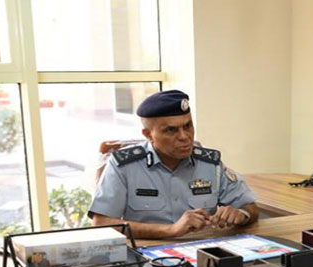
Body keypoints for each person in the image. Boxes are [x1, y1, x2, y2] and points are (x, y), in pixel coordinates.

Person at [88, 89, 258, 238]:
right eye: (171, 130)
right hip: (148, 253)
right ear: (148, 135)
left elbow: (250, 206)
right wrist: (170, 230)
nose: (184, 136)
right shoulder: (124, 166)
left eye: (188, 126)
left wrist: (241, 214)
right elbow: (102, 222)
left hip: (203, 251)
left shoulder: (211, 164)